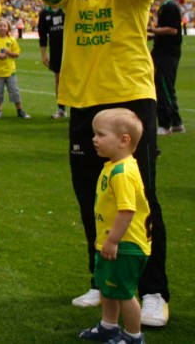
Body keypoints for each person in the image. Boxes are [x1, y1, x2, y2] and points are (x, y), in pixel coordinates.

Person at [31, 0, 169, 327]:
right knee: (93, 196)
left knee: (138, 194)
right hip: (84, 102)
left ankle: (153, 291)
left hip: (129, 97)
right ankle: (104, 278)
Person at [77, 109, 150, 344]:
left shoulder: (123, 172)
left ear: (124, 140)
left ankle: (133, 336)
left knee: (124, 293)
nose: (94, 139)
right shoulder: (113, 165)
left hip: (126, 246)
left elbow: (127, 210)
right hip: (111, 242)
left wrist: (113, 240)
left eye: (100, 134)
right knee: (108, 287)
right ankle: (108, 326)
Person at [150, 0, 185, 135]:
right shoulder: (166, 7)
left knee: (163, 87)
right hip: (166, 52)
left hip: (166, 54)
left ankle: (165, 124)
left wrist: (153, 30)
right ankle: (177, 123)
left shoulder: (169, 7)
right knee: (167, 88)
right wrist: (152, 34)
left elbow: (172, 30)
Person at [0, 17, 30, 119]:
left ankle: (19, 110)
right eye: (0, 26)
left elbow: (17, 54)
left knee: (14, 91)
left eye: (4, 26)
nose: (2, 28)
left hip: (10, 70)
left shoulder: (11, 40)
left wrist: (9, 53)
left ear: (8, 28)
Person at [37, 5, 66, 118]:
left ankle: (78, 108)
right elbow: (42, 35)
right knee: (58, 80)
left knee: (76, 79)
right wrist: (43, 54)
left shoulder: (66, 8)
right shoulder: (44, 13)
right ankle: (61, 109)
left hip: (71, 49)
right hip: (55, 50)